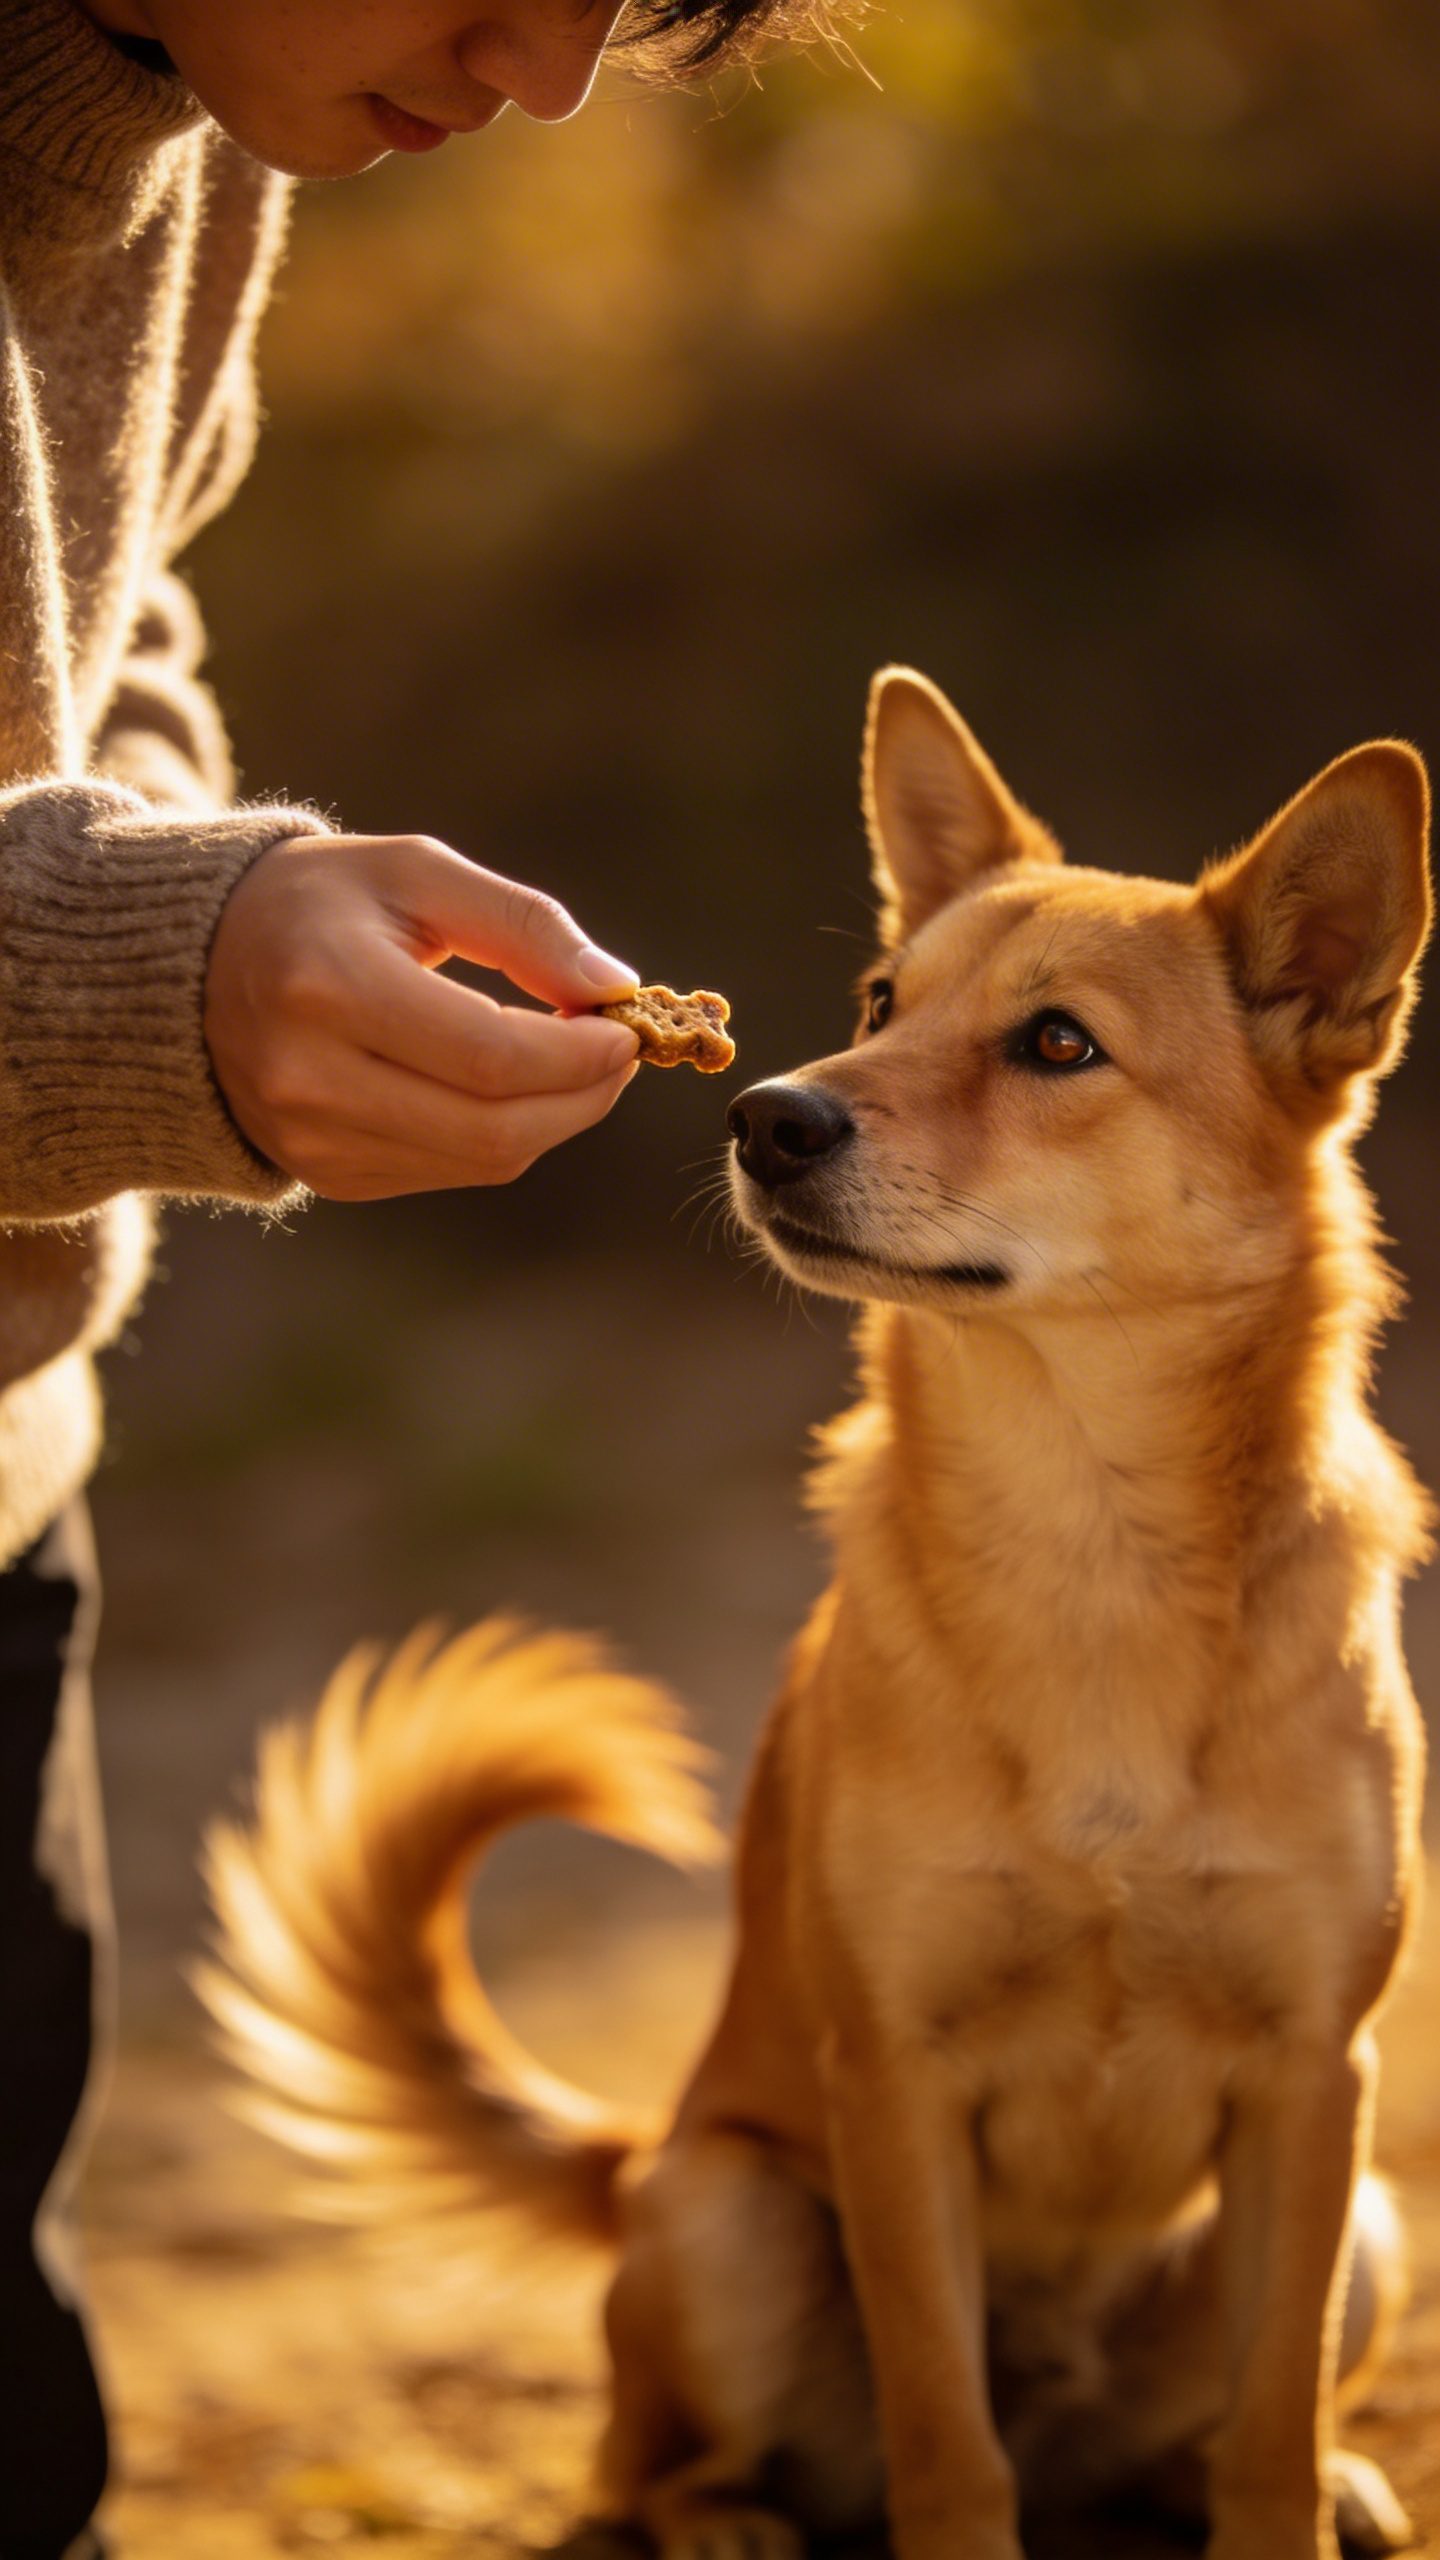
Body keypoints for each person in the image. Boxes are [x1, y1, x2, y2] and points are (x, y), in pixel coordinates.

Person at [0, 0, 813, 2549]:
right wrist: (147, 975)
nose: (553, 76)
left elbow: (101, 626)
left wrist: (212, 885)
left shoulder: (197, 117)